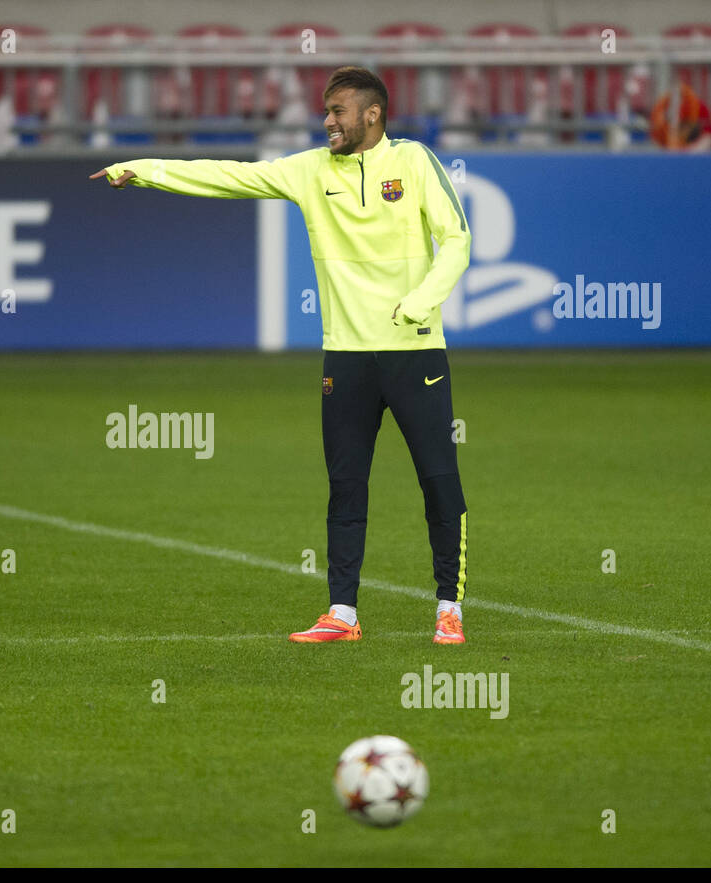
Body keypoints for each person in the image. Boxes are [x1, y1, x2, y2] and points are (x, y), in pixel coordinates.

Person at [91, 66, 471, 645]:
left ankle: (449, 608)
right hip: (345, 357)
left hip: (414, 352)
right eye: (325, 111)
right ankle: (342, 614)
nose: (327, 121)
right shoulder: (309, 170)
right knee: (345, 488)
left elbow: (458, 239)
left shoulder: (415, 163)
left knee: (439, 482)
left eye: (338, 111)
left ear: (371, 114)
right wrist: (141, 170)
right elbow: (229, 177)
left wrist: (420, 304)